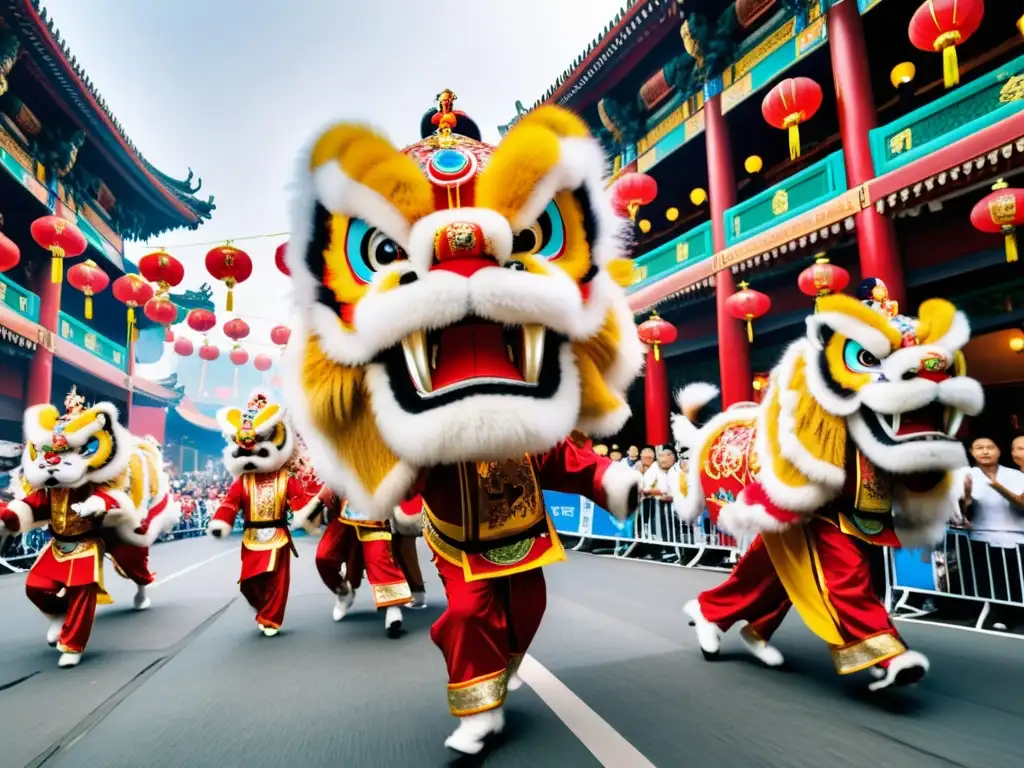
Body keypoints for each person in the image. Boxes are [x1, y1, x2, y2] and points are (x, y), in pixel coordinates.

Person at [281, 95, 644, 755]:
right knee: (470, 611)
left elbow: (559, 455)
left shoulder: (527, 406)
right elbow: (399, 458)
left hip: (526, 534)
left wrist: (608, 478)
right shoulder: (422, 413)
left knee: (525, 613)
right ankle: (476, 708)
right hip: (456, 537)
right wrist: (380, 482)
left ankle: (492, 674)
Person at [673, 289, 984, 690]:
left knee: (773, 570)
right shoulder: (817, 402)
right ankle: (884, 655)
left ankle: (712, 610)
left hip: (860, 512)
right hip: (818, 507)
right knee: (843, 574)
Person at [0, 396, 145, 667]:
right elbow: (30, 507)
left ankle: (73, 644)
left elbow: (112, 499)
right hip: (57, 546)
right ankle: (58, 614)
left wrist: (97, 505)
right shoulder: (48, 490)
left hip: (86, 545)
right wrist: (9, 514)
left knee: (82, 595)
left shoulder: (90, 484)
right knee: (35, 586)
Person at [207, 391, 320, 636]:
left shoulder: (285, 479)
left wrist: (306, 516)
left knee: (277, 582)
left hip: (278, 536)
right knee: (249, 583)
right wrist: (220, 522)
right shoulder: (242, 482)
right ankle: (263, 608)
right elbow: (229, 505)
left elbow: (299, 501)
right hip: (252, 538)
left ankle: (271, 618)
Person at [311, 491, 415, 637]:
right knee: (324, 556)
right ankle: (343, 592)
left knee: (379, 558)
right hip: (344, 513)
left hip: (374, 514)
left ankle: (392, 607)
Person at [958, 436, 1024, 630]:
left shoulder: (1016, 475)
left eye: (990, 447)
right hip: (981, 538)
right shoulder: (966, 475)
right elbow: (961, 510)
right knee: (986, 581)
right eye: (979, 448)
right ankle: (992, 617)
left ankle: (1010, 617)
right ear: (971, 452)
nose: (985, 451)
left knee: (1013, 581)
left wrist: (998, 487)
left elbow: (1021, 504)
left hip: (1016, 538)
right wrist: (967, 497)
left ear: (1000, 451)